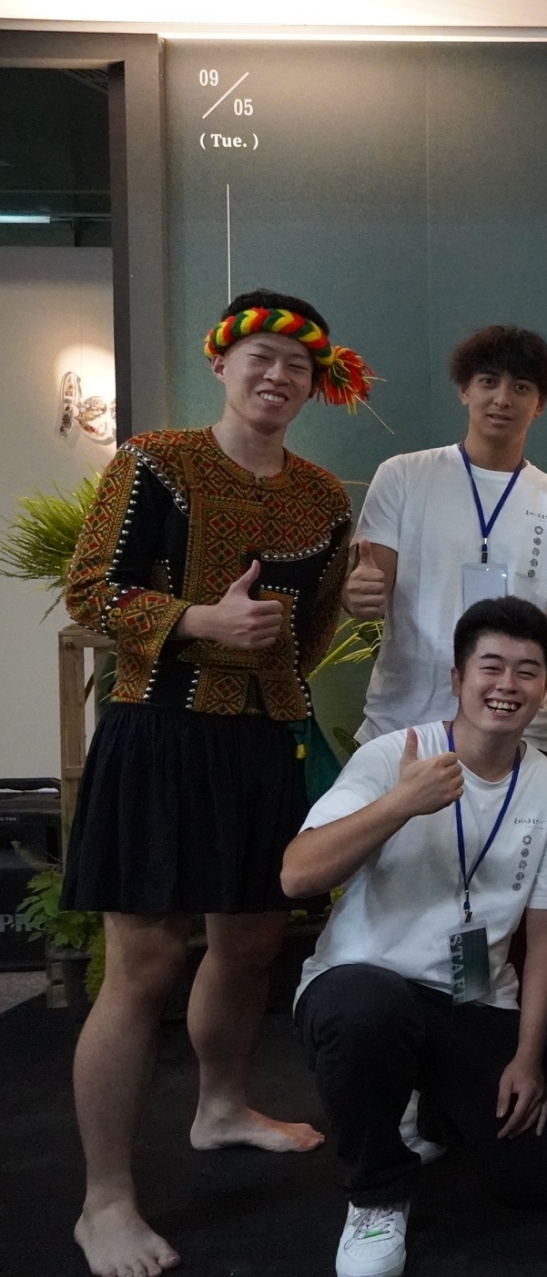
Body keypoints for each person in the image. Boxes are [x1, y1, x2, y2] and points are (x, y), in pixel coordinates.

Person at [61, 290, 360, 1277]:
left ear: (315, 385)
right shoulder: (155, 460)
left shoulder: (324, 498)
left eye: (297, 367)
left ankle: (221, 1106)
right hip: (157, 733)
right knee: (141, 968)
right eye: (261, 358)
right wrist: (199, 623)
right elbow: (92, 590)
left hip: (259, 743)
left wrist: (283, 640)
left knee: (250, 942)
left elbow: (311, 628)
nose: (278, 377)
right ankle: (103, 1200)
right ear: (223, 364)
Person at [283, 596, 547, 1277]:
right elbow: (297, 874)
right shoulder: (394, 756)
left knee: (545, 1176)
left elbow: (546, 934)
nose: (507, 684)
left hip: (472, 999)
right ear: (456, 678)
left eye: (527, 670)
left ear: (544, 688)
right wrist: (399, 804)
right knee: (367, 1009)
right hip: (365, 986)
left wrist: (528, 1058)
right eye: (491, 666)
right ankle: (376, 1197)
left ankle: (429, 1104)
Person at [344, 324, 547, 759]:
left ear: (539, 404)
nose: (502, 399)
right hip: (405, 724)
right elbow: (366, 594)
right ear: (464, 390)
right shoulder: (403, 476)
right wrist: (357, 592)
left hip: (519, 734)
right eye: (488, 382)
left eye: (521, 387)